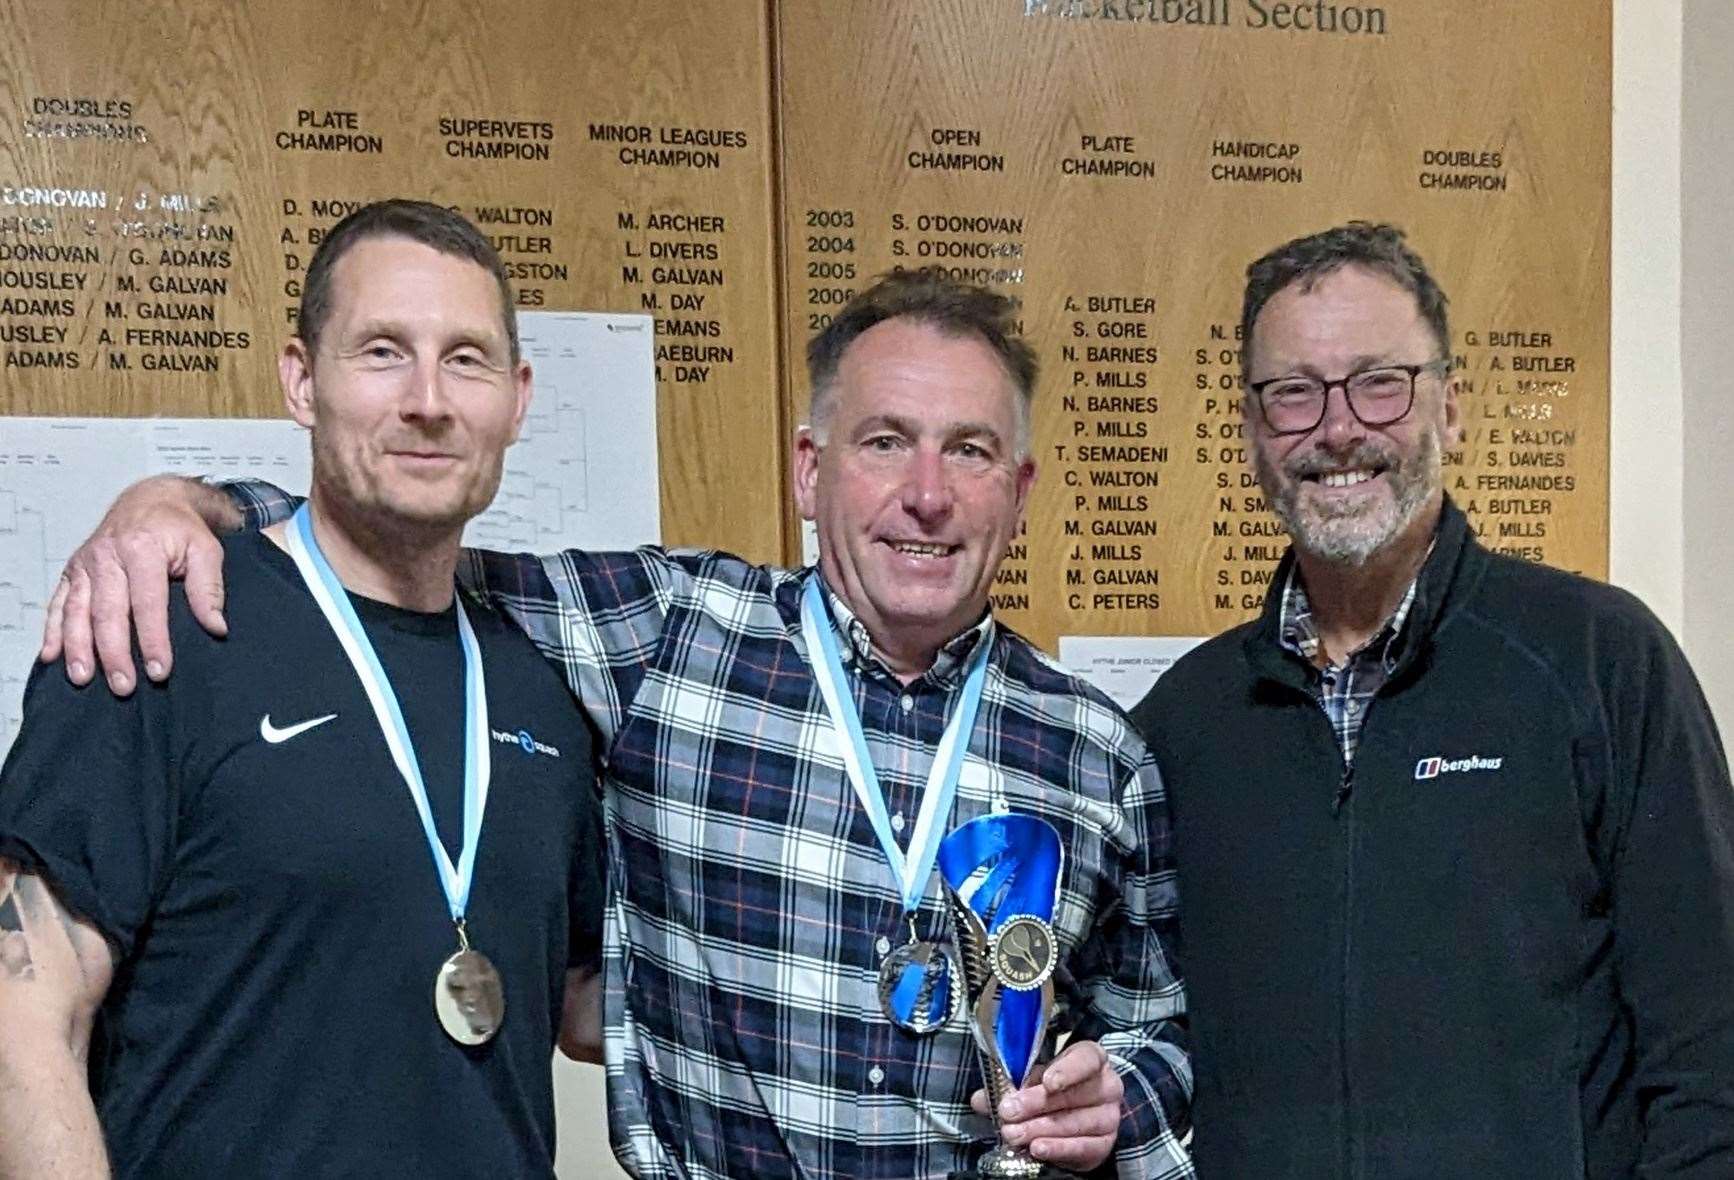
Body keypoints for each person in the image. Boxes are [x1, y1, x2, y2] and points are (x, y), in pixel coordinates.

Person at [40, 270, 1194, 1178]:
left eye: (972, 452)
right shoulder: (665, 635)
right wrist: (184, 508)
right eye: (885, 440)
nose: (928, 493)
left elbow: (1158, 1032)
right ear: (809, 470)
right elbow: (399, 535)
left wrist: (1119, 1097)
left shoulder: (1097, 751)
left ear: (1023, 488)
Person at [0, 200, 605, 1176]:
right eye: (380, 351)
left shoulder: (543, 686)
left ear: (518, 397)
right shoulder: (167, 628)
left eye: (466, 358)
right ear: (300, 379)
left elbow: (586, 1003)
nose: (428, 399)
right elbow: (22, 1016)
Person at [1131, 221, 1734, 1177]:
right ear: (1251, 431)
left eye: (1380, 382)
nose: (1338, 429)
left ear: (1450, 408)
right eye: (1292, 393)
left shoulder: (1601, 663)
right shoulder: (1181, 724)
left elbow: (1710, 1050)